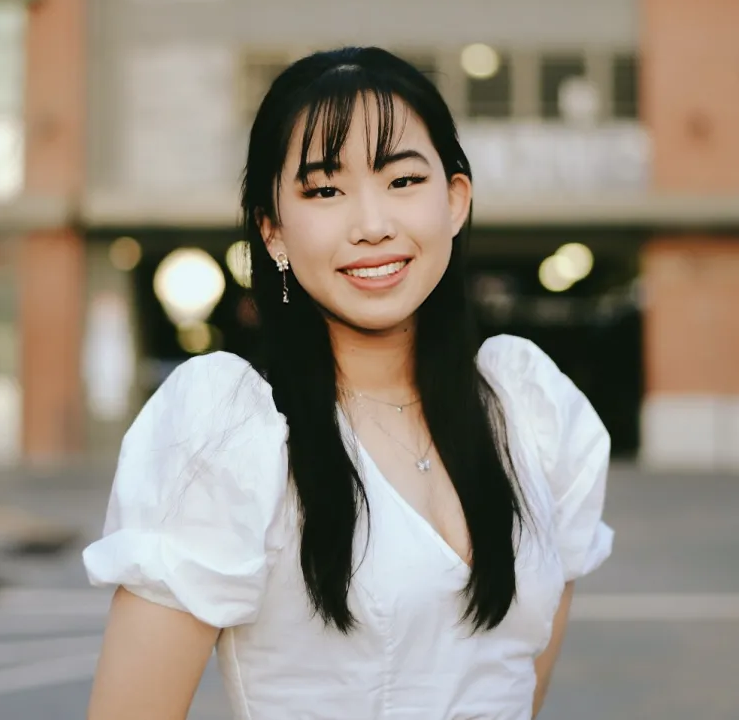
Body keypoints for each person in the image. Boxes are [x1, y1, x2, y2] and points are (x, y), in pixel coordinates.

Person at [83, 46, 613, 720]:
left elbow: (517, 693)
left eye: (402, 181)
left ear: (455, 201)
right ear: (273, 231)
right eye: (325, 190)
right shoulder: (232, 434)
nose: (372, 225)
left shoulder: (530, 413)